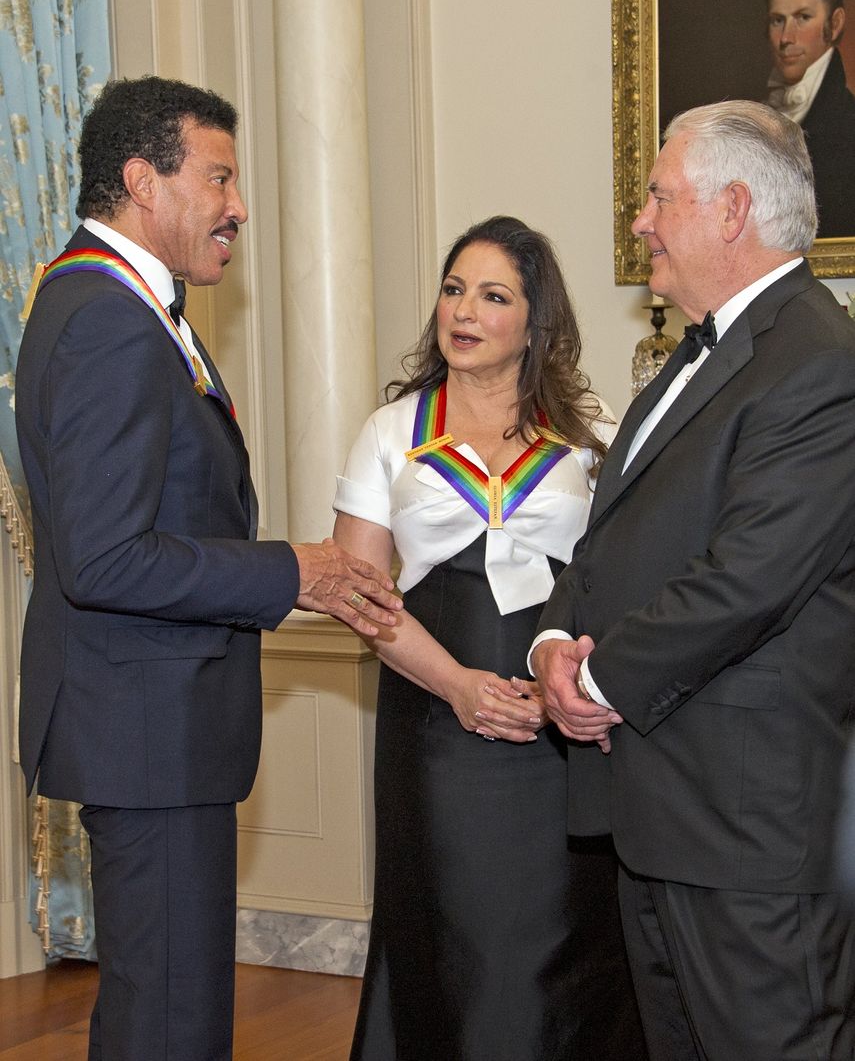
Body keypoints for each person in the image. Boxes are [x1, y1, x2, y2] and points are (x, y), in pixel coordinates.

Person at [14, 75, 400, 1061]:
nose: (236, 206)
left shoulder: (123, 304)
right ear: (144, 180)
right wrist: (291, 573)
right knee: (171, 1024)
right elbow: (105, 556)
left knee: (160, 1013)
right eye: (219, 177)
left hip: (150, 723)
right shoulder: (109, 317)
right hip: (148, 727)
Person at [531, 100, 855, 1060]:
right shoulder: (691, 355)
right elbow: (610, 537)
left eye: (657, 196)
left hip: (744, 825)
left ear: (731, 211)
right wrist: (553, 640)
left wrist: (595, 683)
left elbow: (748, 577)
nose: (638, 220)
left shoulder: (818, 364)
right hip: (661, 812)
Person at [333, 216, 646, 1061]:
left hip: (562, 732)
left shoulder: (593, 432)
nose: (463, 311)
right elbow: (361, 597)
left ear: (533, 321)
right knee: (450, 934)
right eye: (452, 288)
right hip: (435, 733)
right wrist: (458, 687)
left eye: (493, 295)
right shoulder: (389, 431)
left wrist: (567, 687)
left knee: (559, 935)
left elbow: (622, 578)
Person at [766, 0, 855, 236]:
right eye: (777, 21)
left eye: (803, 18)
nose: (786, 38)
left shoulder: (848, 122)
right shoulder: (766, 109)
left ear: (834, 24)